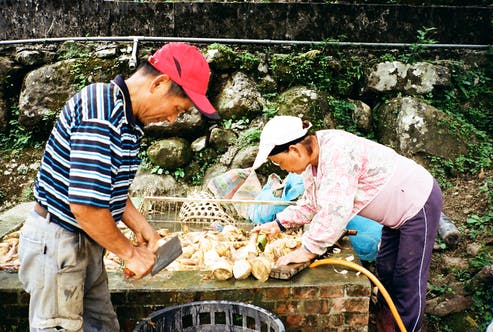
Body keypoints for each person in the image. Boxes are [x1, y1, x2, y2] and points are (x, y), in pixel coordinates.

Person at [18, 42, 219, 331]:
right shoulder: (101, 111)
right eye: (177, 108)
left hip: (86, 240)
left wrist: (141, 226)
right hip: (60, 242)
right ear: (159, 83)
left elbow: (107, 188)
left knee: (101, 325)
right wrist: (130, 253)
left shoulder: (128, 120)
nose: (173, 118)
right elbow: (86, 207)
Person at [251, 116, 442, 332]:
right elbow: (312, 203)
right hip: (395, 215)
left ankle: (404, 328)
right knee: (387, 269)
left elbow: (335, 211)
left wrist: (307, 250)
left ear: (294, 150)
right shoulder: (314, 162)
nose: (283, 169)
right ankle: (386, 325)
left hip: (418, 203)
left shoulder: (337, 153)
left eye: (279, 162)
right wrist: (278, 225)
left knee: (408, 279)